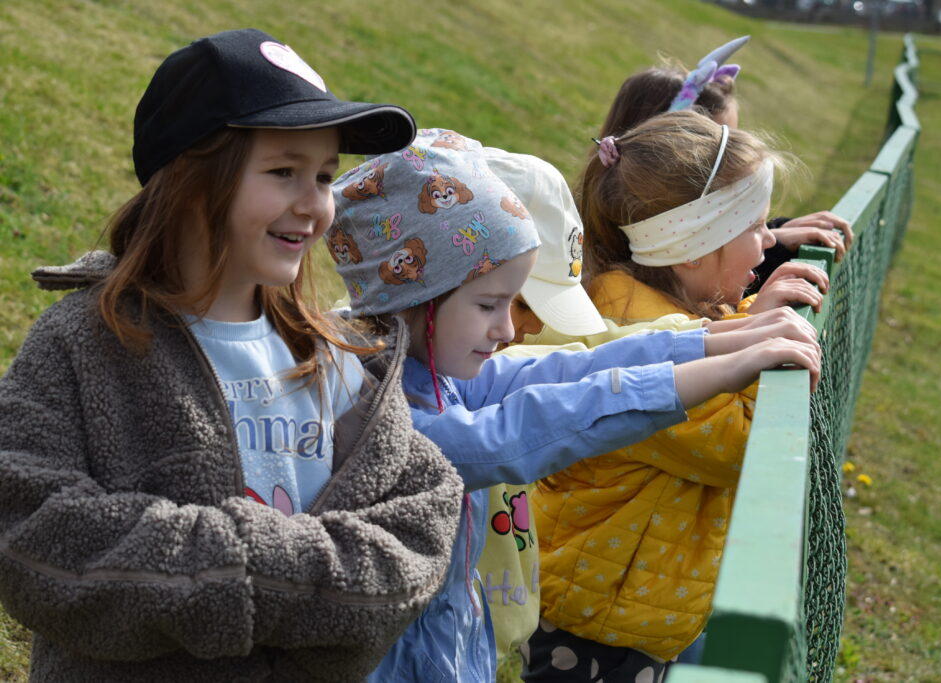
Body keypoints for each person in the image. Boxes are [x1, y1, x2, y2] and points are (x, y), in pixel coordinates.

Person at [0, 29, 465, 682]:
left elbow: (420, 526)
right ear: (190, 182)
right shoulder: (85, 343)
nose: (314, 204)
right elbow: (28, 531)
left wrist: (252, 576)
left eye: (324, 175)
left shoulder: (334, 358)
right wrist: (246, 573)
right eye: (283, 172)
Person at [326, 128, 822, 682]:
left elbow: (562, 369)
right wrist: (722, 364)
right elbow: (519, 429)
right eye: (489, 304)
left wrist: (712, 340)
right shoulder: (377, 409)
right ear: (416, 293)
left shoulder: (428, 371)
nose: (507, 329)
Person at [522, 110, 830, 681]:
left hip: (623, 604)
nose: (770, 240)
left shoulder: (651, 305)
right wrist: (756, 329)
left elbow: (704, 342)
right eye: (755, 226)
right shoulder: (633, 333)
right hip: (595, 623)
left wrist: (750, 319)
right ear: (692, 248)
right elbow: (738, 445)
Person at [596, 36, 853, 292]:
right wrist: (773, 252)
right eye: (716, 141)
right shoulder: (625, 287)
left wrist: (772, 231)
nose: (734, 151)